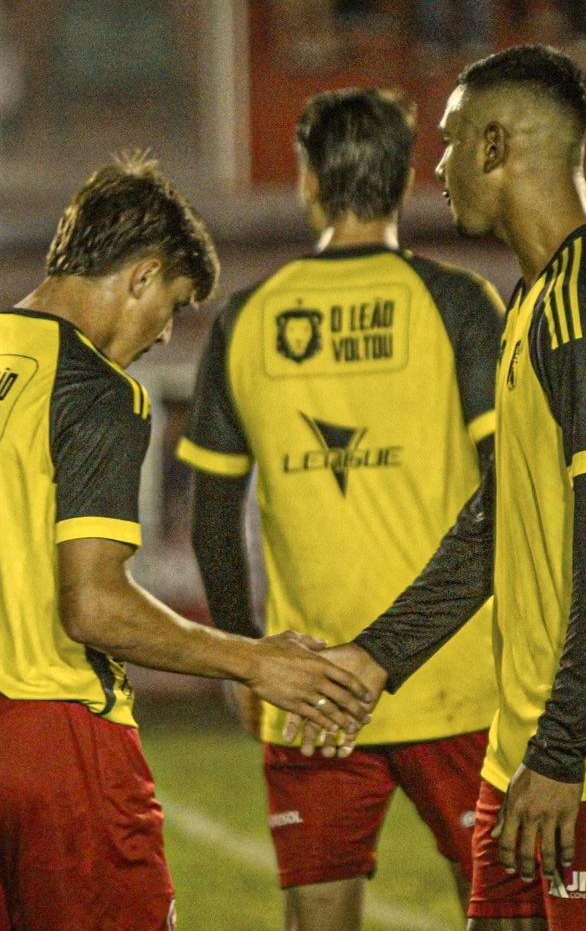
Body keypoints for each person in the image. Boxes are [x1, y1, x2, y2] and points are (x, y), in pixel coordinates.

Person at [0, 155, 376, 931]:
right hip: (56, 742)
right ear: (142, 275)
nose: (164, 333)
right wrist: (252, 659)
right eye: (173, 306)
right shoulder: (95, 390)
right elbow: (93, 606)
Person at [295, 45, 586, 929]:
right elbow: (499, 519)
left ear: (495, 147)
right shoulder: (538, 298)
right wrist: (378, 656)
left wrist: (564, 752)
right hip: (530, 743)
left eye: (451, 140)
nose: (437, 167)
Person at [178, 87, 504, 930]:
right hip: (457, 674)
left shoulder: (248, 318)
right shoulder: (459, 302)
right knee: (505, 910)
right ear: (404, 180)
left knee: (316, 917)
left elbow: (213, 520)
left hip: (310, 683)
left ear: (309, 180)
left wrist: (245, 656)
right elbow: (513, 493)